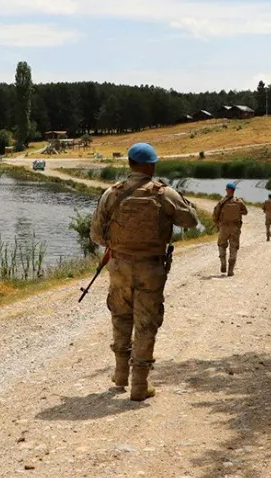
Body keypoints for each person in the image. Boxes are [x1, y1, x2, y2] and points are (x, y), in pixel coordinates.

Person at [89, 142, 200, 401]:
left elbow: (96, 234)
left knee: (121, 316)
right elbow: (191, 222)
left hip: (119, 266)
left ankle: (119, 375)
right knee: (146, 322)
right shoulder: (165, 193)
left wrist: (119, 244)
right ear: (152, 166)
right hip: (150, 266)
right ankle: (139, 386)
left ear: (129, 164)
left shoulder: (111, 193)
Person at [213, 182, 248, 276]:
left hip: (224, 227)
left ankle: (223, 263)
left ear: (227, 190)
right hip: (235, 228)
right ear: (233, 191)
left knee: (221, 244)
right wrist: (237, 212)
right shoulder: (239, 201)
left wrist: (216, 223)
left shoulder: (221, 201)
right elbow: (245, 212)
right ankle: (230, 270)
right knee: (234, 247)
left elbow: (215, 213)